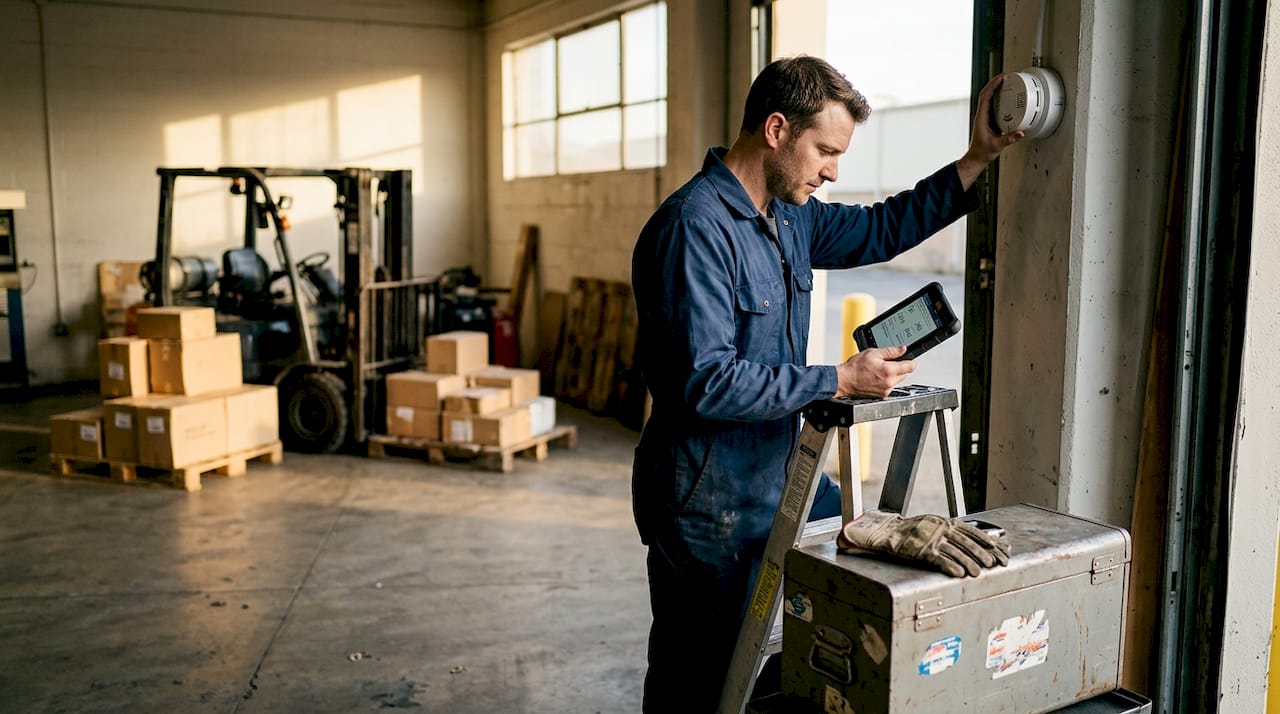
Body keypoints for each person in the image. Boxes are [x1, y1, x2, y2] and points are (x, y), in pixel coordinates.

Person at [629, 55, 1022, 712]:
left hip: (778, 473)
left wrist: (974, 158)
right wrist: (838, 379)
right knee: (699, 677)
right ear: (777, 128)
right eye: (826, 151)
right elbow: (704, 382)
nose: (834, 170)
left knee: (793, 641)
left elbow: (878, 228)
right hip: (706, 502)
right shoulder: (693, 229)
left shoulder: (789, 217)